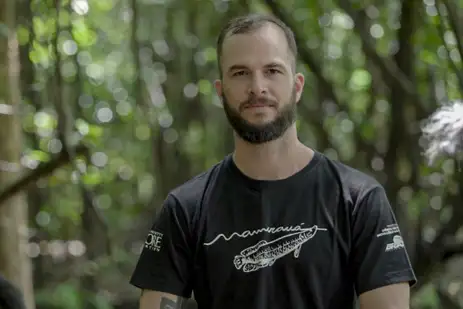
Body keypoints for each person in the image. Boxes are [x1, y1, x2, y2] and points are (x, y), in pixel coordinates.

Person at [129, 13, 417, 309]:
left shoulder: (358, 199)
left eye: (273, 70)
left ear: (298, 86)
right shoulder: (186, 208)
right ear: (220, 91)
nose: (257, 86)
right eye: (240, 73)